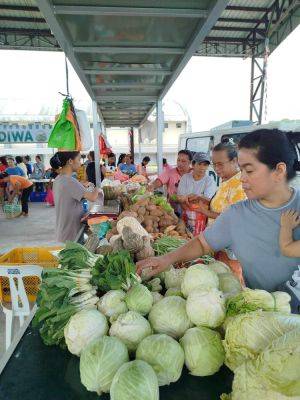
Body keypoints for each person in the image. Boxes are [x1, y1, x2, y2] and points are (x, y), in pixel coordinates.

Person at [137, 129, 300, 292]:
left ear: (279, 170)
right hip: (264, 312)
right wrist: (165, 259)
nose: (242, 178)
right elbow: (202, 243)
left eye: (249, 170)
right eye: (241, 170)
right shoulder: (236, 214)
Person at [191, 143, 247, 283]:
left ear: (235, 161)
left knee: (231, 283)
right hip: (219, 244)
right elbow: (224, 206)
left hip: (230, 249)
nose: (216, 169)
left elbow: (235, 219)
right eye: (214, 164)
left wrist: (207, 212)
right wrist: (205, 199)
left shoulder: (239, 185)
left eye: (220, 164)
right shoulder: (226, 180)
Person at [50, 151, 101, 242]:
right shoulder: (70, 181)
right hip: (71, 231)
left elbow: (70, 192)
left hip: (63, 228)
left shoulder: (59, 179)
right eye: (79, 159)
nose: (80, 163)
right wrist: (98, 187)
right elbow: (93, 197)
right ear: (70, 161)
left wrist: (81, 185)